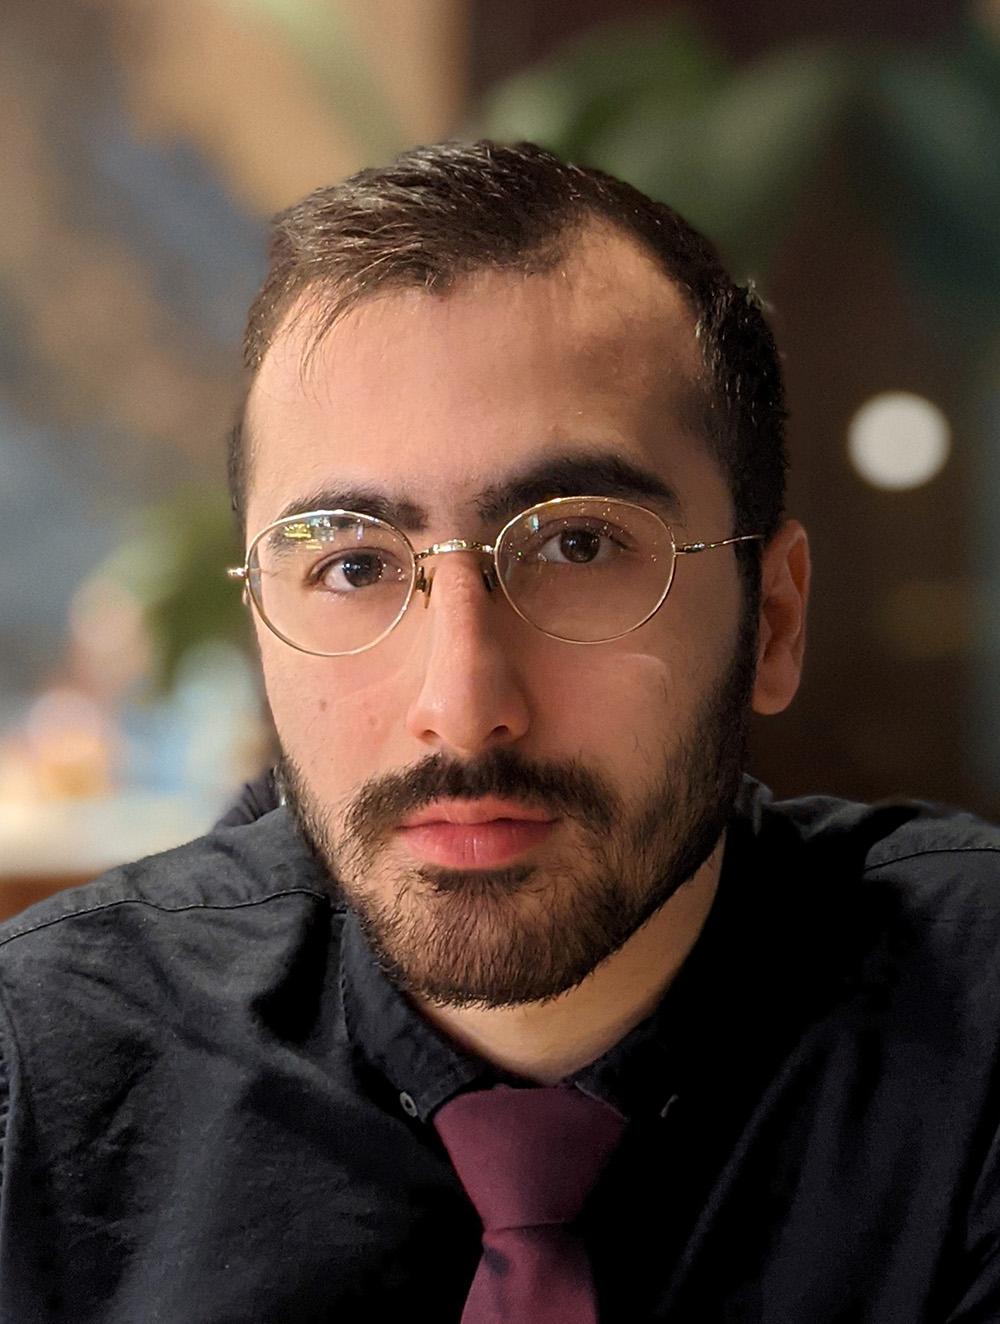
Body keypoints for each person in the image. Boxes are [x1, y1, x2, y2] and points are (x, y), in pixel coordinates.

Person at [1, 140, 998, 1324]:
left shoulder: (976, 1025)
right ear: (261, 619)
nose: (463, 704)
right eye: (353, 564)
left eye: (577, 544)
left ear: (773, 619)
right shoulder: (40, 1071)